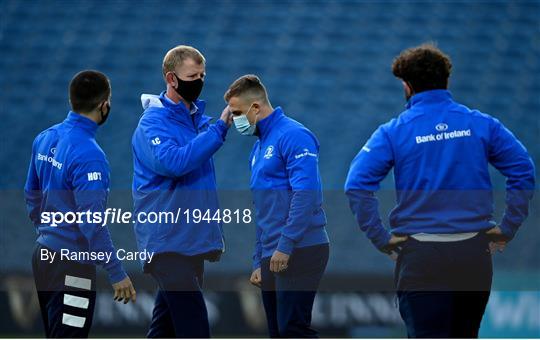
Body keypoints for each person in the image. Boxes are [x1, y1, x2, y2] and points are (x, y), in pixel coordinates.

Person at [344, 43, 536, 338]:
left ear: (407, 86)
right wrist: (508, 226)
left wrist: (381, 238)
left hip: (422, 255)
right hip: (473, 253)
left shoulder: (394, 131)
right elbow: (523, 169)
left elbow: (356, 185)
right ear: (446, 80)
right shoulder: (481, 123)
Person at [24, 70, 135, 338]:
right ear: (103, 105)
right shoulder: (90, 156)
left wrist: (49, 231)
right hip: (72, 266)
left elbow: (31, 195)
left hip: (44, 256)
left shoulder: (45, 137)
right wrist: (116, 271)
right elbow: (92, 224)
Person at [132, 45, 232, 338]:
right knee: (194, 327)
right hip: (166, 241)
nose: (199, 81)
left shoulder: (195, 122)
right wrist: (220, 128)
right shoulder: (152, 124)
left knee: (165, 329)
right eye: (192, 75)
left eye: (202, 75)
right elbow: (174, 163)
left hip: (189, 241)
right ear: (171, 78)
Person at [224, 75, 330, 338]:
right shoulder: (258, 148)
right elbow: (263, 209)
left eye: (237, 112)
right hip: (272, 251)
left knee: (292, 329)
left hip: (302, 246)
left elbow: (305, 194)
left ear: (256, 107)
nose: (234, 120)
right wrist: (259, 258)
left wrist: (285, 245)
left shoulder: (294, 135)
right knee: (277, 332)